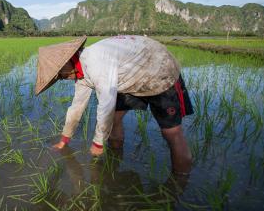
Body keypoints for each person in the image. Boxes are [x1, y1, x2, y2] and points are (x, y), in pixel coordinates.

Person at [35, 35, 194, 175]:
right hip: (129, 77)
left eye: (60, 74)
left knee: (171, 133)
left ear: (66, 61)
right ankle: (115, 160)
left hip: (159, 69)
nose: (62, 78)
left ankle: (179, 183)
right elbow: (76, 107)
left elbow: (106, 104)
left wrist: (98, 142)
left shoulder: (96, 62)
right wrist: (64, 140)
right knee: (114, 120)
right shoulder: (79, 72)